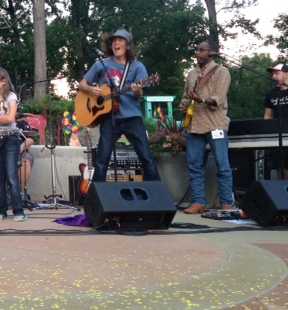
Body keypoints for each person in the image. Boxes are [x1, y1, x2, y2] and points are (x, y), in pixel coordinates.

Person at [79, 29, 161, 183]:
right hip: (109, 119)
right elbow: (82, 84)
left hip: (132, 118)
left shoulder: (137, 67)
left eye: (121, 40)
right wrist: (91, 89)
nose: (116, 43)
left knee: (146, 157)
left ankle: (156, 195)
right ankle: (96, 199)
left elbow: (140, 95)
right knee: (102, 159)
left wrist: (137, 91)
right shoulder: (102, 64)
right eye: (114, 41)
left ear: (127, 46)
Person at [179, 40, 234, 214]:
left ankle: (226, 203)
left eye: (202, 50)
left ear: (212, 53)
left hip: (215, 123)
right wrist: (183, 104)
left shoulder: (222, 71)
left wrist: (201, 100)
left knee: (222, 164)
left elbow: (218, 98)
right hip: (194, 124)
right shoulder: (191, 74)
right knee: (194, 165)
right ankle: (199, 202)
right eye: (197, 50)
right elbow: (186, 96)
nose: (197, 53)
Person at [0, 68, 27, 222]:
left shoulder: (11, 97)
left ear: (3, 82)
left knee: (11, 177)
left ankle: (19, 211)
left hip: (10, 139)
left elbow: (10, 119)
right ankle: (2, 211)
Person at [263, 64, 288, 178]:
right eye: (273, 74)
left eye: (277, 73)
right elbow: (268, 116)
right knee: (280, 167)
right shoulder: (271, 94)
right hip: (278, 136)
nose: (274, 76)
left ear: (286, 74)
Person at [16, 119, 35, 197]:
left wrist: (21, 147)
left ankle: (21, 192)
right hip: (0, 151)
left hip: (20, 152)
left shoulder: (21, 123)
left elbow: (31, 139)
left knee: (26, 159)